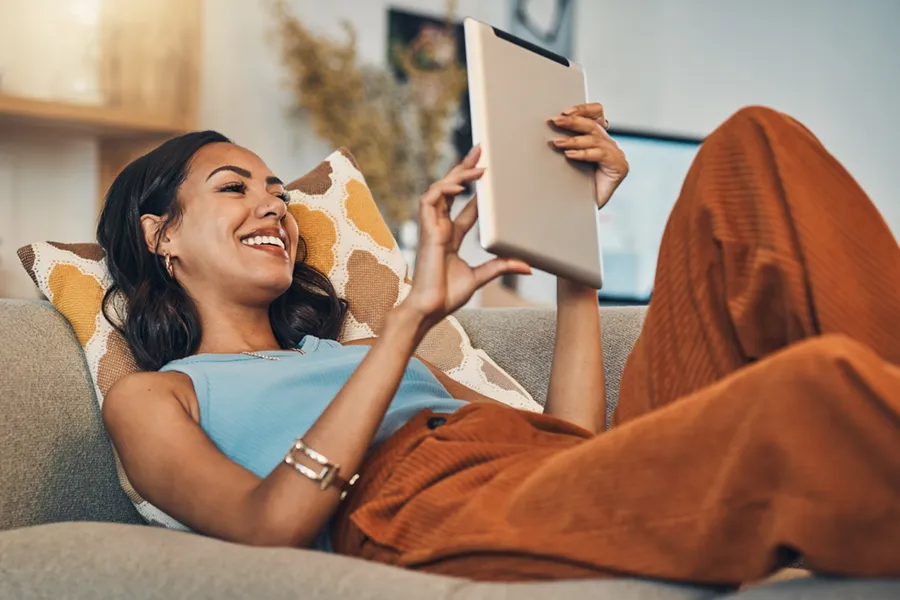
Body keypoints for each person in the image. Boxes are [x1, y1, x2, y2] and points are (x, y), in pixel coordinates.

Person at [98, 103, 900, 588]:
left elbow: (572, 446)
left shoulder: (348, 355)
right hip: (420, 511)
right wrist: (409, 318)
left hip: (544, 473)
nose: (272, 207)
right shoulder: (160, 394)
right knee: (810, 393)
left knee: (753, 149)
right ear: (160, 234)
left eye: (277, 191)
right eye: (234, 188)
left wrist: (569, 239)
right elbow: (267, 524)